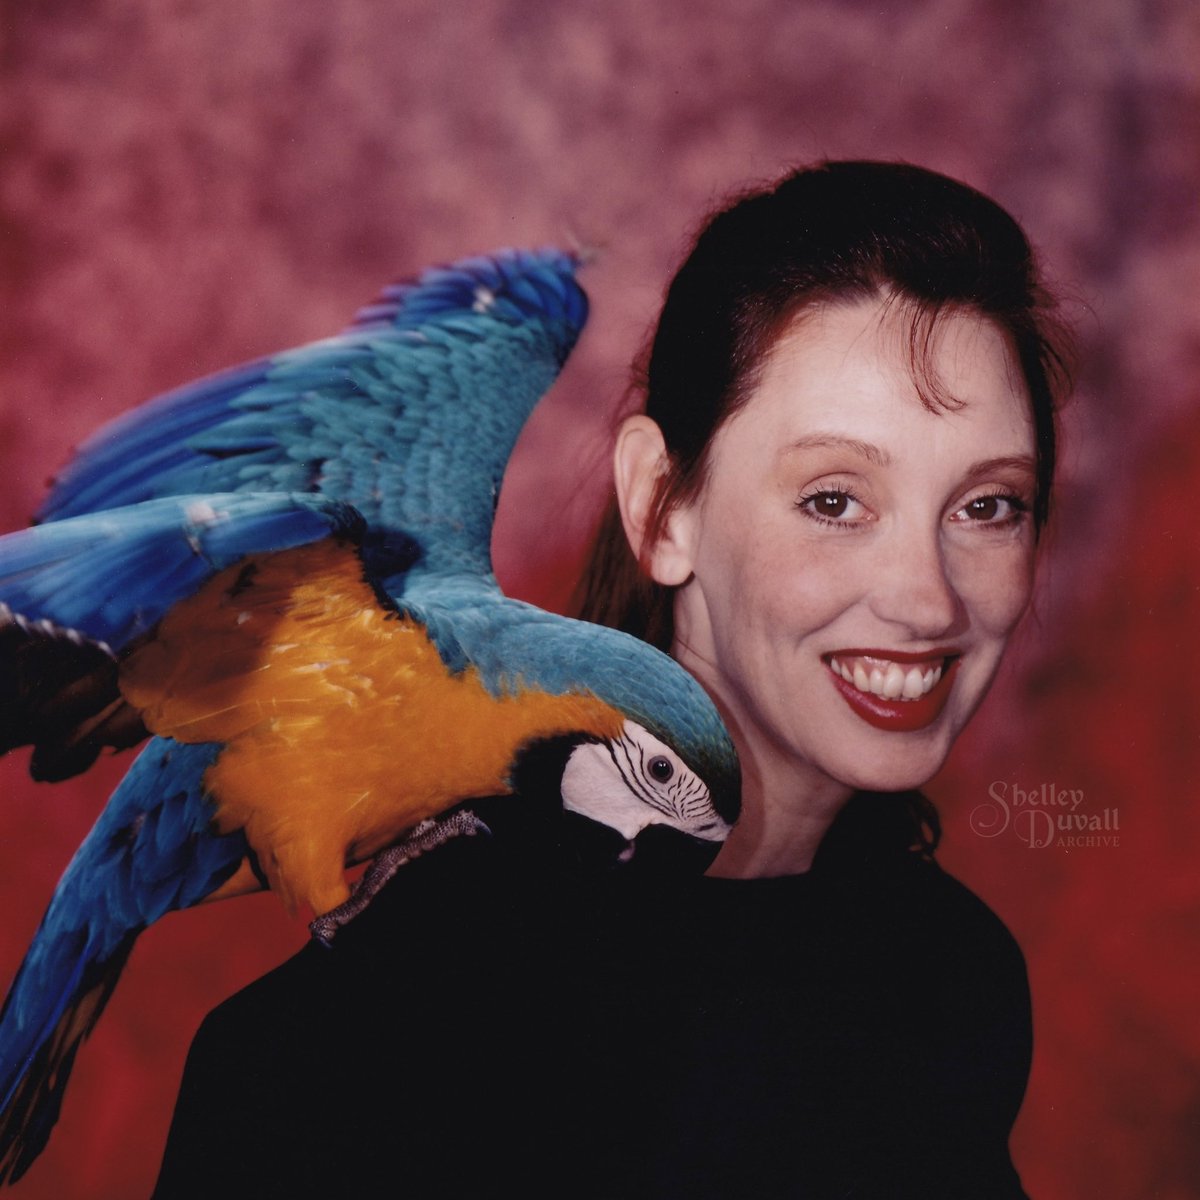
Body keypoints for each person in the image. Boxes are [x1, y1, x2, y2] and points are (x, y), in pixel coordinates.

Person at [152, 160, 1071, 1199]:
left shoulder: (949, 978)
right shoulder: (425, 1003)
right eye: (834, 500)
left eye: (988, 506)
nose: (927, 601)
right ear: (661, 508)